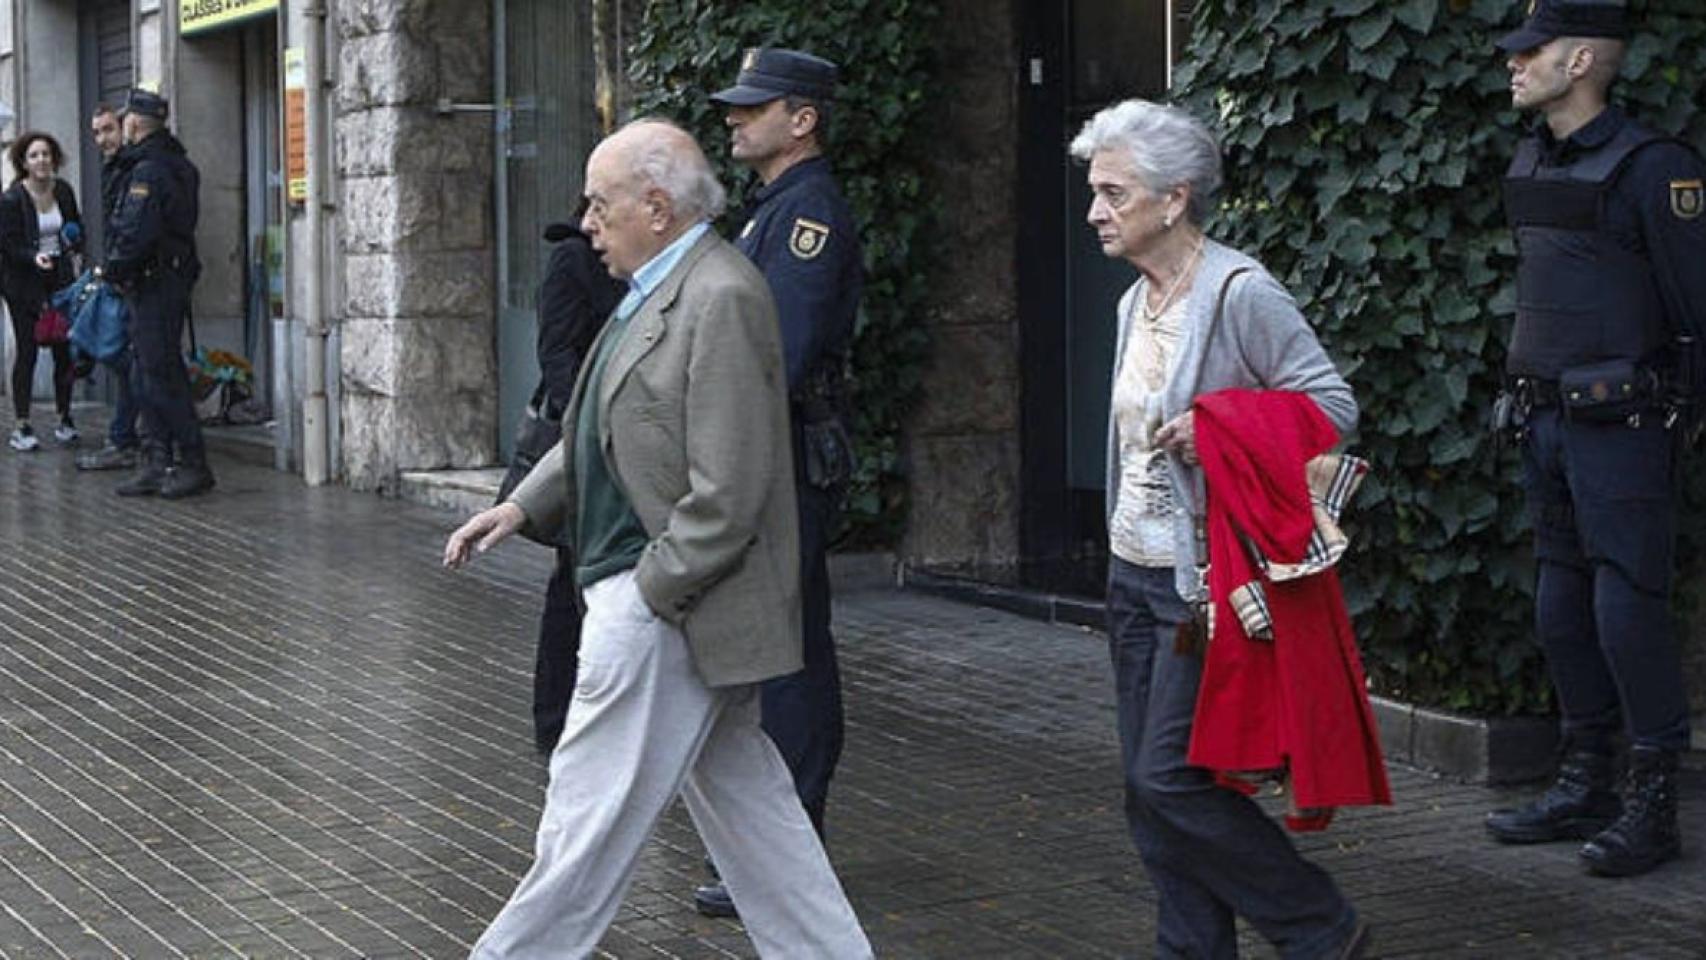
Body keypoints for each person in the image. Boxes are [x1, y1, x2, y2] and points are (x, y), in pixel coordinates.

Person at [444, 119, 872, 960]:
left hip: (666, 607)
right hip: (659, 600)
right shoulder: (656, 286)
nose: (589, 223)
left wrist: (647, 595)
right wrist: (522, 507)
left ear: (658, 206)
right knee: (759, 820)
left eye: (601, 205)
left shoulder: (721, 296)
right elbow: (602, 423)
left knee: (586, 821)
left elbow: (730, 489)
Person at [1073, 99, 1370, 959]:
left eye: (1114, 193)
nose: (1095, 211)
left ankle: (1320, 926)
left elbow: (1331, 406)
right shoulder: (1135, 303)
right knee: (1152, 788)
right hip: (1132, 574)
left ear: (1175, 199)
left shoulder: (1240, 290)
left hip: (1201, 588)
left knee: (1168, 779)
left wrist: (1220, 429)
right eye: (1094, 191)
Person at [1484, 0, 1704, 879]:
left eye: (1528, 51)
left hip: (1625, 427)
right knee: (1559, 603)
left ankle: (1653, 802)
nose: (1513, 64)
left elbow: (1696, 309)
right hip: (1542, 419)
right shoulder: (1533, 157)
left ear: (1579, 60)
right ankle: (1587, 776)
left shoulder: (1657, 169)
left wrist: (1677, 414)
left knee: (1626, 603)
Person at [693, 45, 863, 918]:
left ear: (803, 119)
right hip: (770, 451)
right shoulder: (773, 210)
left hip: (788, 454)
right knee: (778, 649)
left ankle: (793, 845)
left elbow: (778, 357)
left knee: (792, 653)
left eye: (753, 108)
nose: (733, 119)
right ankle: (773, 849)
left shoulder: (809, 218)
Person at [518, 204, 625, 754]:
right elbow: (556, 353)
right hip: (585, 446)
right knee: (571, 584)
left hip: (626, 448)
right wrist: (585, 433)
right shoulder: (573, 258)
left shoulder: (646, 267)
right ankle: (555, 722)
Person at [102, 88, 212, 499]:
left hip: (153, 282)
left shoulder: (149, 171)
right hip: (163, 279)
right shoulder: (178, 164)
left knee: (161, 374)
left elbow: (135, 231)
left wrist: (114, 270)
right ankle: (157, 458)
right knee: (150, 373)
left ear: (132, 123)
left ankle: (191, 461)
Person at [2, 131, 83, 452]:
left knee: (64, 348)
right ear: (24, 162)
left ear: (54, 158)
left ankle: (65, 418)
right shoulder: (12, 199)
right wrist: (32, 257)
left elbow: (75, 227)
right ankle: (22, 424)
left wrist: (75, 241)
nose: (42, 161)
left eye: (46, 154)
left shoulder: (63, 190)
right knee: (28, 348)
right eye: (34, 155)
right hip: (22, 283)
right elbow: (7, 243)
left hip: (59, 278)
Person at [77, 103, 143, 472]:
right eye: (97, 133)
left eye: (107, 130)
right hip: (118, 276)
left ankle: (128, 439)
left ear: (124, 128)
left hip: (133, 280)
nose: (102, 139)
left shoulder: (135, 168)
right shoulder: (113, 169)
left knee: (127, 361)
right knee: (122, 361)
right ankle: (127, 436)